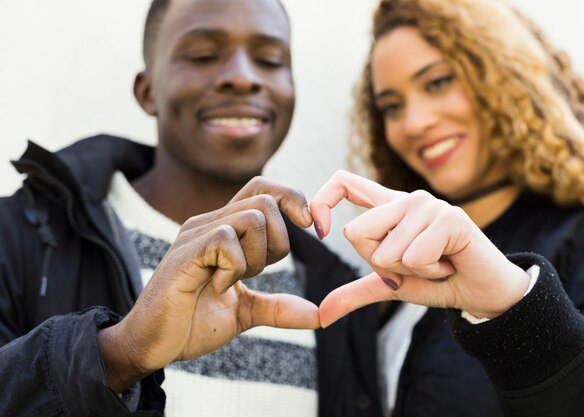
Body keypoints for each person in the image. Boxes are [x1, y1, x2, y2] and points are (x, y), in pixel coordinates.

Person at [0, 0, 362, 416]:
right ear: (147, 90)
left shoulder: (336, 291)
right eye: (204, 56)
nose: (243, 78)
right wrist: (118, 353)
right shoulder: (18, 238)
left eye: (269, 59)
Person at [309, 0, 584, 416]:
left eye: (437, 82)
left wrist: (514, 310)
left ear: (505, 77)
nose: (415, 122)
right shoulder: (397, 262)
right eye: (392, 106)